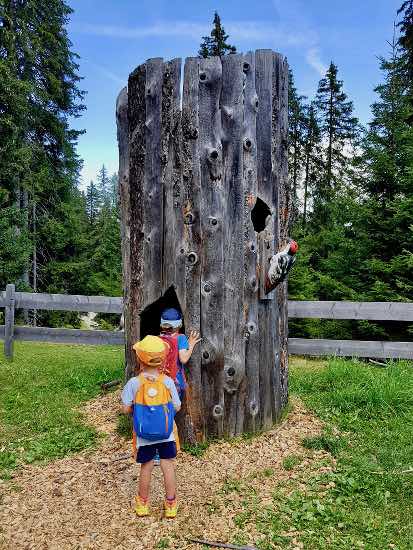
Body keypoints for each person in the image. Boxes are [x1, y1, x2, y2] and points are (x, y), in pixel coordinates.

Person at [121, 335, 181, 519]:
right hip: (166, 433)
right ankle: (170, 504)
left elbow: (125, 409)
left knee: (146, 467)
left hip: (143, 435)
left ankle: (142, 504)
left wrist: (137, 410)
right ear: (162, 359)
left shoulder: (134, 383)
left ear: (139, 359)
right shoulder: (168, 382)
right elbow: (177, 406)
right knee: (167, 465)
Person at [159, 307, 201, 400]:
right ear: (180, 325)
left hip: (160, 378)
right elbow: (183, 359)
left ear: (162, 325)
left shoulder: (159, 338)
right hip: (175, 379)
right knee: (173, 404)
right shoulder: (180, 338)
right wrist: (191, 344)